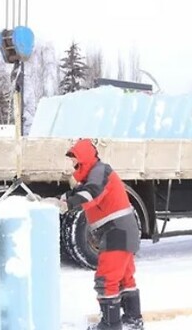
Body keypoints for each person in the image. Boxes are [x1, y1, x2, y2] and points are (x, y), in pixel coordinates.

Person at [46, 139, 143, 330]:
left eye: (74, 159)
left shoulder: (100, 171)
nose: (72, 164)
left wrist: (66, 205)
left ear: (84, 158)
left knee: (106, 279)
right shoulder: (94, 174)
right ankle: (132, 320)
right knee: (124, 278)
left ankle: (110, 325)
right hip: (121, 231)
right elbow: (81, 192)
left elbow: (91, 193)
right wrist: (53, 200)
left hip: (117, 232)